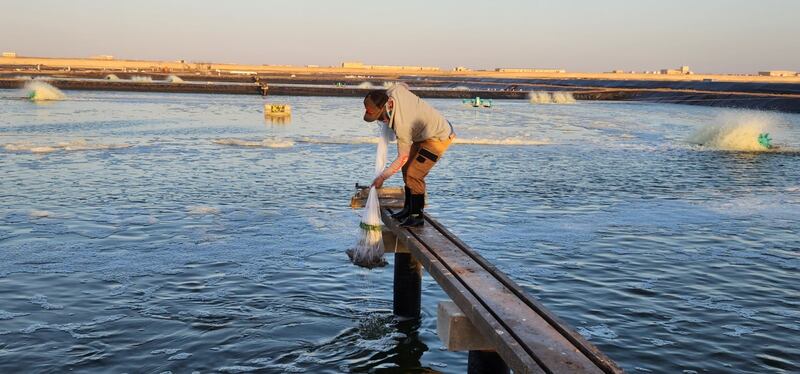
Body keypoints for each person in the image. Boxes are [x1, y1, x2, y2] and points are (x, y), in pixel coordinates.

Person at [363, 83, 455, 227]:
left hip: (438, 137)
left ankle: (417, 216)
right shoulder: (393, 92)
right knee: (407, 170)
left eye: (380, 117)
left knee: (414, 174)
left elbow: (402, 157)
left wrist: (382, 177)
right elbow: (402, 85)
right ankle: (408, 209)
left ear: (386, 108)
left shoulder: (403, 124)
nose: (381, 121)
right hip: (422, 134)